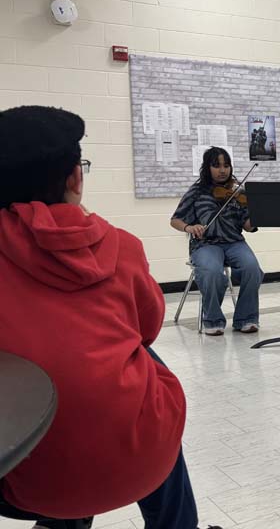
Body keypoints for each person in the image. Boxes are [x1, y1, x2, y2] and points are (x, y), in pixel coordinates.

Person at [0, 105, 221, 529]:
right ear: (75, 178)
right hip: (142, 463)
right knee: (139, 365)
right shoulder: (121, 245)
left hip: (27, 480)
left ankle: (62, 522)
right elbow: (148, 328)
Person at [170, 147, 263, 336]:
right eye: (217, 166)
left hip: (234, 241)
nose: (222, 170)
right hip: (205, 244)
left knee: (252, 269)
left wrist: (259, 215)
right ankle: (212, 319)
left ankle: (246, 318)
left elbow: (247, 225)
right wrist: (189, 228)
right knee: (212, 272)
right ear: (207, 167)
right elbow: (175, 220)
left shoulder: (238, 192)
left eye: (226, 165)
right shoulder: (197, 190)